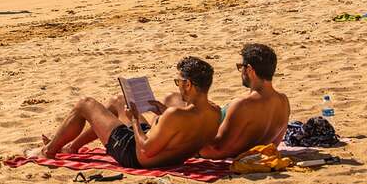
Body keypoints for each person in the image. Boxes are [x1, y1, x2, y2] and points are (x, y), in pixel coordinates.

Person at [58, 44, 289, 160]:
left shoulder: (243, 104)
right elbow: (275, 143)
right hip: (241, 147)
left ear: (250, 70)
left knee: (110, 106)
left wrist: (182, 127)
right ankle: (72, 145)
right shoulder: (283, 102)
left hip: (203, 152)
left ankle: (62, 146)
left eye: (241, 68)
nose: (241, 72)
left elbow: (215, 145)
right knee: (170, 100)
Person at [31, 57, 221, 169]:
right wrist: (162, 114)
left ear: (188, 84)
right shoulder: (214, 113)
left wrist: (135, 120)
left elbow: (145, 149)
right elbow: (185, 133)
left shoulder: (175, 115)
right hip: (169, 156)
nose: (178, 86)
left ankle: (47, 151)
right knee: (118, 100)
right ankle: (72, 147)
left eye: (178, 82)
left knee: (84, 104)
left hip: (135, 156)